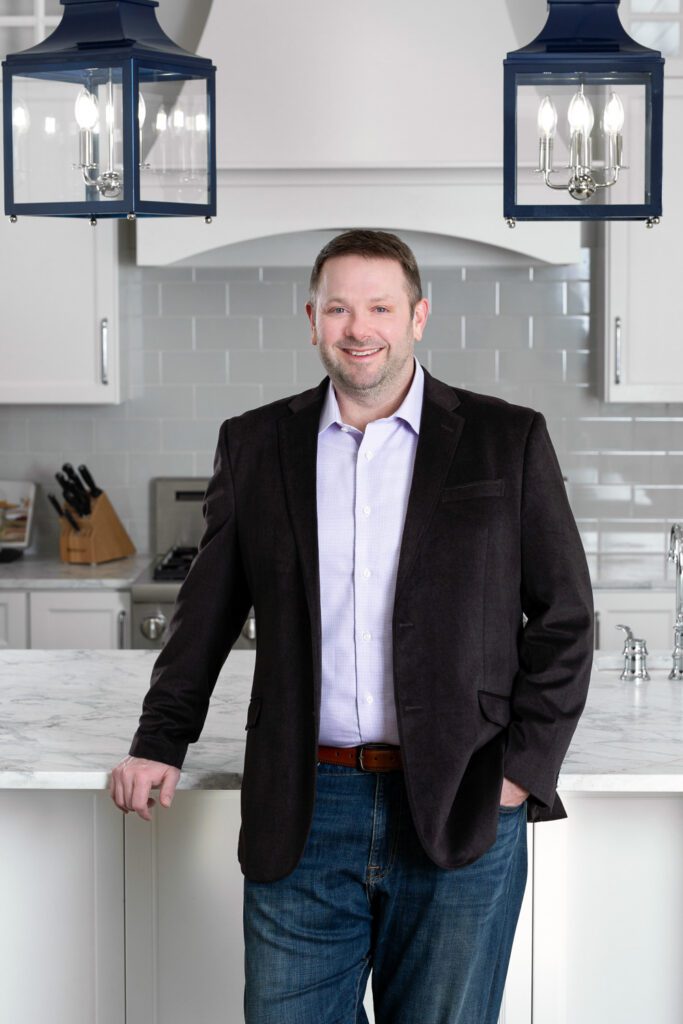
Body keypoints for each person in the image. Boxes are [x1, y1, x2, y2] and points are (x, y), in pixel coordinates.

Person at [110, 229, 594, 1024]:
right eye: (338, 307)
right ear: (311, 320)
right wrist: (159, 739)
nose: (357, 326)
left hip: (457, 802)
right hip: (304, 805)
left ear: (417, 316)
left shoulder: (505, 439)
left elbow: (565, 618)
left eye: (378, 306)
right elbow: (206, 612)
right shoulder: (257, 443)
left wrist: (516, 774)